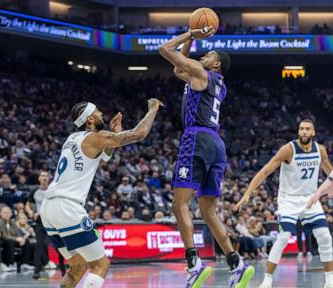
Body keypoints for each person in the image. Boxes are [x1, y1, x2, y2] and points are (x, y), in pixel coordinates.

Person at [159, 26, 254, 288]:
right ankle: (236, 263)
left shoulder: (203, 73)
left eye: (209, 54)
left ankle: (194, 264)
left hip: (196, 139)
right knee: (208, 210)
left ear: (217, 64)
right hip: (216, 143)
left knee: (179, 205)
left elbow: (165, 50)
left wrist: (190, 34)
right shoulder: (213, 82)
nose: (204, 55)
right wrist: (191, 43)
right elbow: (179, 70)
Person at [40, 98, 163, 288]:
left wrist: (114, 134)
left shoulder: (72, 138)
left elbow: (103, 158)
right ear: (89, 119)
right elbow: (139, 134)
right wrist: (152, 109)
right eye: (97, 111)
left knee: (77, 268)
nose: (101, 114)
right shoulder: (94, 138)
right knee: (101, 265)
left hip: (49, 209)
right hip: (67, 207)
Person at [236, 119, 333, 288]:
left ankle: (330, 281)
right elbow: (266, 170)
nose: (303, 132)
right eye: (301, 129)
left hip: (310, 199)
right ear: (298, 132)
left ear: (313, 132)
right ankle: (267, 279)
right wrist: (248, 192)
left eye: (307, 129)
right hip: (288, 200)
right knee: (283, 237)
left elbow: (330, 173)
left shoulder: (320, 151)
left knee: (325, 236)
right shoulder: (288, 150)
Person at [25, 170, 62, 279]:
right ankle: (36, 271)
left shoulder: (53, 190)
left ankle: (64, 269)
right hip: (40, 221)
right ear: (39, 179)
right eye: (42, 176)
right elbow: (27, 205)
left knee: (59, 245)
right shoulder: (34, 191)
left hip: (52, 221)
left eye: (46, 176)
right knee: (39, 245)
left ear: (49, 179)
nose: (44, 177)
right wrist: (30, 212)